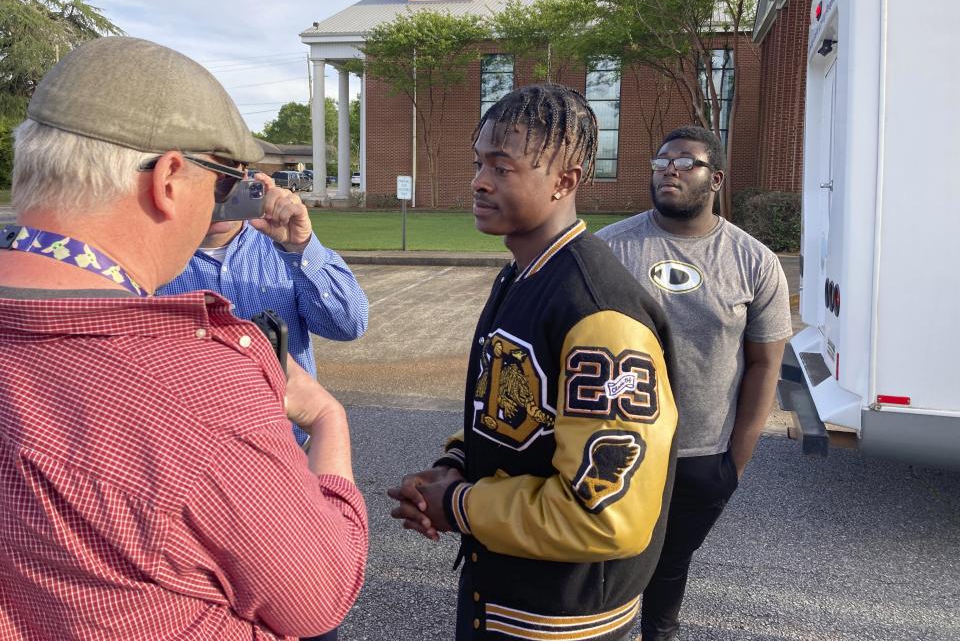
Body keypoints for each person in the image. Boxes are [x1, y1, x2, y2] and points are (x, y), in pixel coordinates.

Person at [0, 37, 367, 640]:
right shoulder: (199, 385)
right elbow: (320, 592)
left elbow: (349, 322)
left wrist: (301, 248)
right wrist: (327, 417)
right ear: (169, 178)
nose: (224, 201)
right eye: (222, 181)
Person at [389, 84, 678, 641]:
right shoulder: (521, 274)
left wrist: (458, 505)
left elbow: (604, 515)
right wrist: (452, 466)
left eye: (502, 166)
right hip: (500, 595)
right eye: (479, 163)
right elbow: (509, 413)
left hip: (559, 621)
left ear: (565, 181)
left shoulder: (599, 314)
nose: (478, 181)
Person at [597, 126, 792, 641]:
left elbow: (764, 366)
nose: (669, 171)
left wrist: (735, 462)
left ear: (716, 179)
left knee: (669, 565)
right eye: (661, 162)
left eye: (685, 163)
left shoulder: (754, 262)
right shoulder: (607, 249)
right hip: (615, 447)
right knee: (604, 565)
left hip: (701, 455)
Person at [157, 173, 369, 448]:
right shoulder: (149, 262)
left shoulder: (283, 245)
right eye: (205, 180)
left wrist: (300, 247)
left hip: (290, 446)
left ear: (248, 179)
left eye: (228, 181)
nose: (218, 196)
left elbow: (348, 325)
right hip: (195, 455)